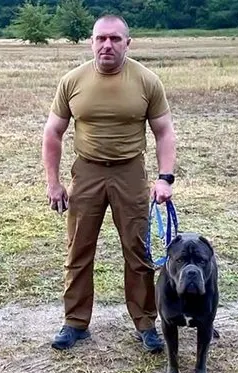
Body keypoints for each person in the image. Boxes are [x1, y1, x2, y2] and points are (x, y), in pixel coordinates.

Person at [41, 14, 177, 352]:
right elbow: (53, 132)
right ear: (91, 42)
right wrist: (53, 182)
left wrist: (164, 178)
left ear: (127, 43)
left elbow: (164, 132)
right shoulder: (72, 81)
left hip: (130, 173)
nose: (107, 45)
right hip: (86, 173)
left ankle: (145, 323)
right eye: (101, 38)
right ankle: (75, 322)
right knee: (78, 249)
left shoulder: (147, 81)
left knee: (138, 251)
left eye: (115, 39)